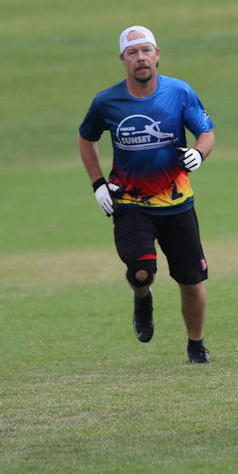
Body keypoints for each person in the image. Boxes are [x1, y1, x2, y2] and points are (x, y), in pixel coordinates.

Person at [78, 25, 215, 364]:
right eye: (132, 53)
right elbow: (86, 137)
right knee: (141, 271)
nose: (140, 58)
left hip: (177, 202)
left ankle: (196, 345)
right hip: (130, 202)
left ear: (157, 55)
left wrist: (198, 153)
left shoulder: (179, 92)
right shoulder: (106, 101)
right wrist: (98, 184)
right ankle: (143, 297)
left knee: (191, 281)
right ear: (122, 59)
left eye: (146, 51)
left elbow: (206, 133)